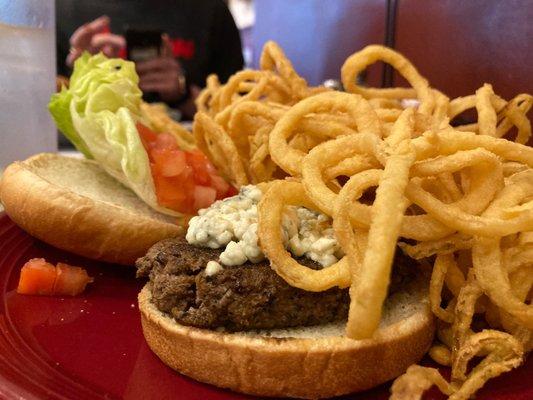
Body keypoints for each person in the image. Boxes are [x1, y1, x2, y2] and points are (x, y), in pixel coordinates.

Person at [56, 0, 244, 119]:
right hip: (84, 156)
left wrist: (182, 92)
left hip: (188, 156)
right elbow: (40, 111)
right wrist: (81, 74)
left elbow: (239, 113)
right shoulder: (60, 9)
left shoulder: (211, 10)